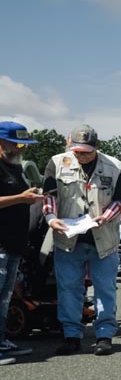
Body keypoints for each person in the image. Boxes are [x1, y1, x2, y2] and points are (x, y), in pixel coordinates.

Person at [42, 125, 121, 356]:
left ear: (96, 147)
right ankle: (71, 335)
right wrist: (51, 219)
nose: (81, 156)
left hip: (104, 239)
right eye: (77, 151)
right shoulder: (57, 162)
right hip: (68, 239)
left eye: (86, 152)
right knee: (69, 288)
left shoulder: (115, 167)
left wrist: (106, 216)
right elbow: (49, 197)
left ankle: (104, 335)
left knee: (105, 289)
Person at [0, 121, 43, 365]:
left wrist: (32, 196)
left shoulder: (14, 166)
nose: (20, 149)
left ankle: (2, 340)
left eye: (24, 145)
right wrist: (21, 198)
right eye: (16, 144)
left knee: (5, 298)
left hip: (14, 244)